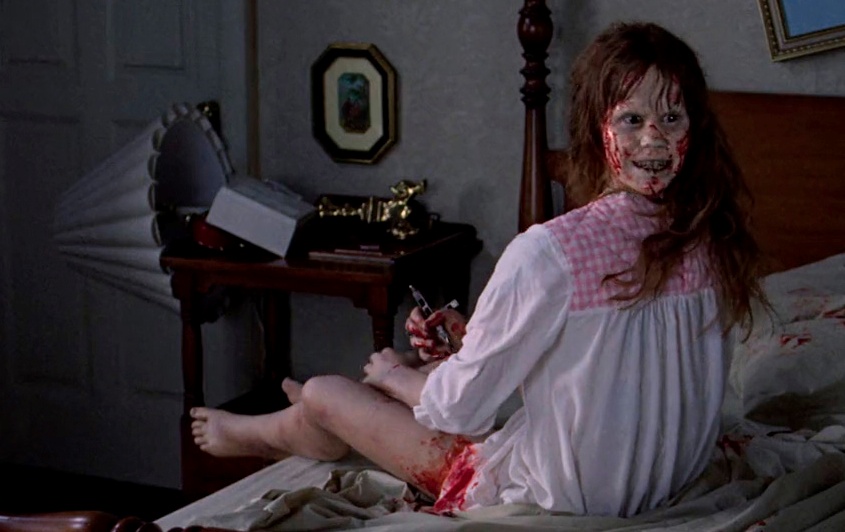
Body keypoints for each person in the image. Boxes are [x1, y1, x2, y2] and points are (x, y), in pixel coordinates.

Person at [190, 22, 769, 517]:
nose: (654, 139)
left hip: (553, 500)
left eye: (670, 118)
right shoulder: (715, 238)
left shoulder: (552, 252)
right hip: (668, 480)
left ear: (693, 129)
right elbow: (604, 368)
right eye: (634, 119)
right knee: (419, 378)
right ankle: (310, 423)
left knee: (330, 389)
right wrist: (478, 341)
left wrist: (393, 376)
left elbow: (460, 412)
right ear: (599, 128)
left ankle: (269, 430)